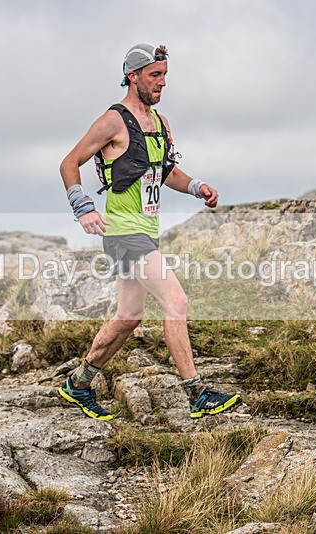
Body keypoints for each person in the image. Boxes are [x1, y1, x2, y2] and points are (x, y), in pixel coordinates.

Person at [58, 43, 241, 421]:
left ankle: (79, 381)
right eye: (155, 76)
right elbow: (69, 162)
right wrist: (84, 207)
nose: (162, 84)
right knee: (177, 303)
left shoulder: (161, 123)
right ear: (133, 76)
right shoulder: (113, 121)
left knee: (129, 316)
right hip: (124, 232)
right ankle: (197, 393)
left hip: (146, 230)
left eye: (165, 76)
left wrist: (197, 187)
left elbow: (166, 171)